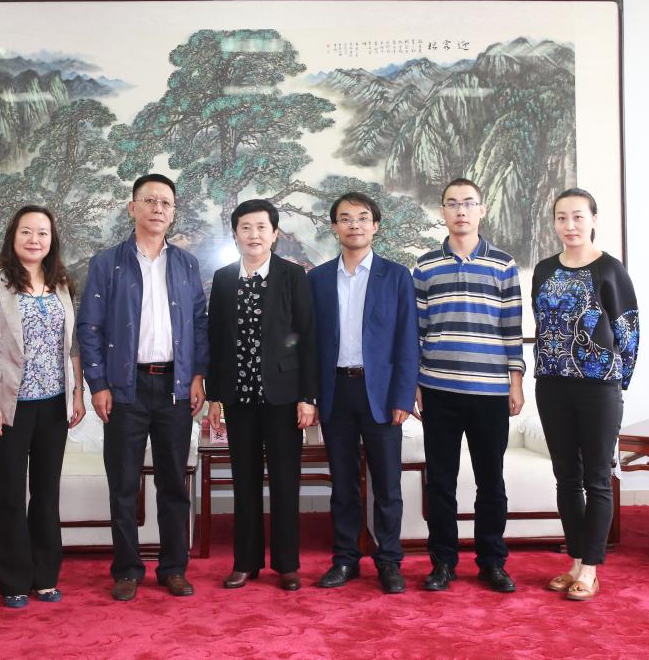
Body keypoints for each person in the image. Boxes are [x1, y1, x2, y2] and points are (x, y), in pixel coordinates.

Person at [78, 174, 208, 601]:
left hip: (174, 387)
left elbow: (200, 324)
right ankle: (127, 570)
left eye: (165, 203)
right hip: (125, 388)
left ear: (173, 212)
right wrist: (98, 383)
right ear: (132, 207)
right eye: (149, 200)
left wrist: (198, 375)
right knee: (123, 484)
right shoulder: (107, 263)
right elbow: (90, 327)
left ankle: (173, 568)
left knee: (173, 484)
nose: (158, 208)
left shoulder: (186, 264)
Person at [412, 177, 525, 594]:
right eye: (452, 203)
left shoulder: (504, 265)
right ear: (442, 211)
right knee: (440, 482)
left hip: (490, 391)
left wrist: (515, 381)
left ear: (482, 210)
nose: (460, 210)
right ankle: (442, 562)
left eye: (468, 203)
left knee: (490, 482)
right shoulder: (424, 266)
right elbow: (416, 330)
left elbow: (512, 328)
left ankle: (492, 562)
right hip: (437, 389)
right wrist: (414, 382)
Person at [0, 205, 85, 609]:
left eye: (43, 233)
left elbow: (72, 345)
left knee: (47, 493)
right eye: (26, 231)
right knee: (10, 495)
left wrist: (77, 393)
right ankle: (14, 581)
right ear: (13, 236)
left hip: (53, 406)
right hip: (9, 406)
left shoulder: (61, 284)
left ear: (52, 240)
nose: (35, 239)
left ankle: (45, 577)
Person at [308, 191, 419, 594]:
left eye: (361, 217)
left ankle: (389, 560)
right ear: (334, 227)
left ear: (376, 225)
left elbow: (408, 340)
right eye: (345, 218)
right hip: (335, 391)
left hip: (382, 394)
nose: (353, 224)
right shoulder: (318, 279)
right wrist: (310, 395)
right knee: (343, 485)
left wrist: (403, 397)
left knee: (387, 485)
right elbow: (309, 342)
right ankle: (345, 559)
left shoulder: (397, 276)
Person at [532, 187, 639, 601]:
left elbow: (628, 330)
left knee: (596, 477)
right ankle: (575, 561)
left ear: (593, 219)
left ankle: (591, 568)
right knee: (565, 477)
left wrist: (616, 382)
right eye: (562, 217)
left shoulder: (610, 269)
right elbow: (543, 325)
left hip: (598, 388)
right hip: (552, 385)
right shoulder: (544, 270)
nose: (570, 225)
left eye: (578, 216)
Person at [206, 199, 317, 592]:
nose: (253, 234)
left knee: (285, 481)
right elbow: (215, 340)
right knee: (245, 480)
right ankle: (245, 562)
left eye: (261, 227)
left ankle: (287, 565)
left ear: (274, 233)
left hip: (284, 397)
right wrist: (214, 396)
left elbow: (306, 336)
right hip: (239, 397)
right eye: (245, 227)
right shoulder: (223, 278)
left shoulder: (292, 275)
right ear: (235, 233)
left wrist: (307, 396)